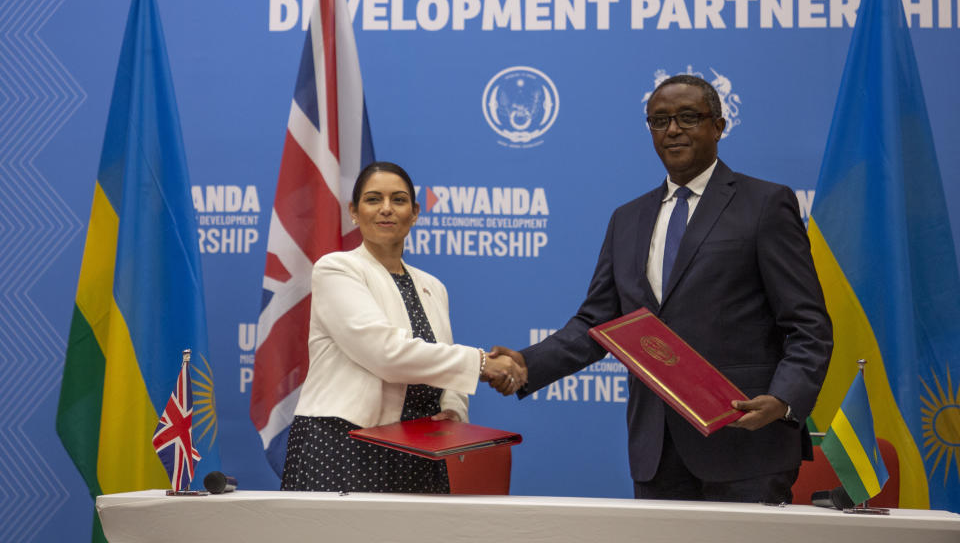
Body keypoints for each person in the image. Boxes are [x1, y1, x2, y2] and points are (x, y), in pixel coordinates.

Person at [490, 75, 832, 503]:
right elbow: (598, 323)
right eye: (659, 120)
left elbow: (808, 324)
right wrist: (526, 363)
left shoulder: (764, 203)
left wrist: (783, 400)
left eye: (688, 117)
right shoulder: (627, 219)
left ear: (718, 127)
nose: (673, 130)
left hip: (746, 443)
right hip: (657, 449)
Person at [281, 161, 525, 494]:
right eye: (372, 199)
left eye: (398, 200)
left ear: (415, 212)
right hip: (344, 442)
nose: (386, 209)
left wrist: (453, 410)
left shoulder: (433, 286)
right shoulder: (337, 269)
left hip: (419, 452)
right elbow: (385, 354)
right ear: (354, 211)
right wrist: (482, 363)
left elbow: (443, 364)